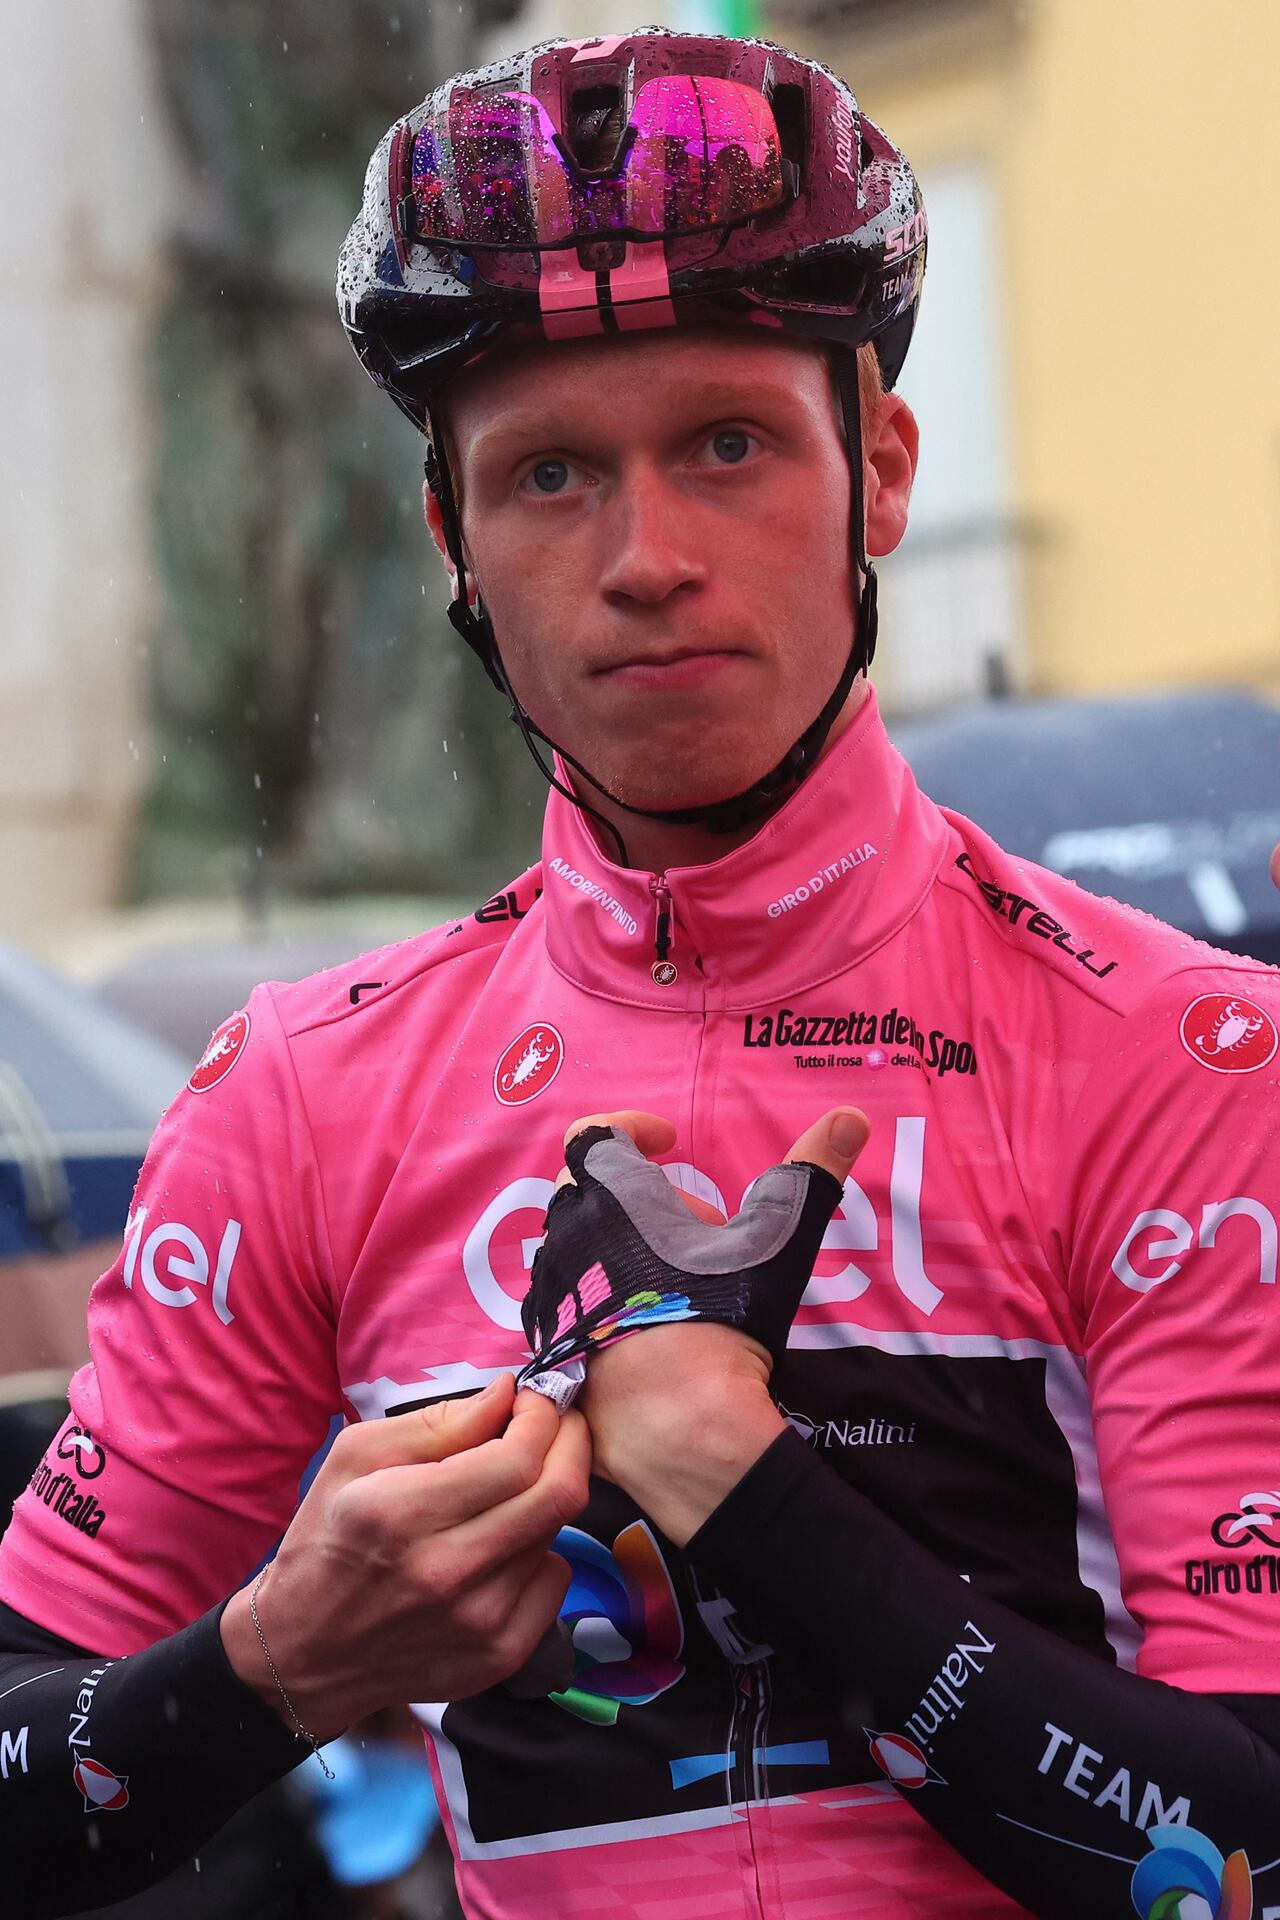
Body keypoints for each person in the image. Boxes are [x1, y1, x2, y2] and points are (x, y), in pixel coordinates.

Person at [1, 25, 1278, 1920]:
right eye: (548, 479)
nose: (646, 558)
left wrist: (749, 1495)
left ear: (886, 469)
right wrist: (280, 1661)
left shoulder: (1185, 1056)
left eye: (730, 445)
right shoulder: (298, 1099)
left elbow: (1253, 1854)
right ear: (450, 537)